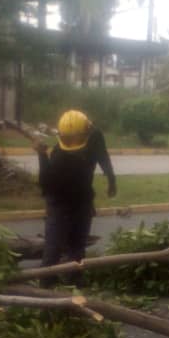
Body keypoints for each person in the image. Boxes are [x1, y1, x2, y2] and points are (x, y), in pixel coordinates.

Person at [34, 109, 117, 285]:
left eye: (76, 140)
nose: (73, 143)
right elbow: (46, 185)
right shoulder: (58, 155)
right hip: (59, 203)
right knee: (54, 246)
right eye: (69, 140)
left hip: (82, 200)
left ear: (86, 132)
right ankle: (46, 282)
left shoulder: (94, 136)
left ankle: (74, 279)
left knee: (78, 244)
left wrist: (111, 179)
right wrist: (42, 157)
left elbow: (103, 156)